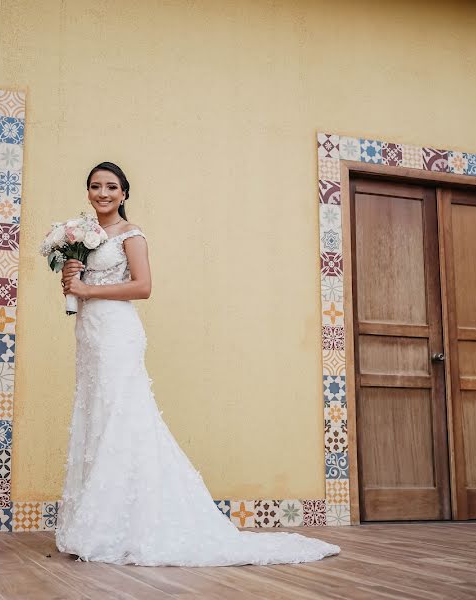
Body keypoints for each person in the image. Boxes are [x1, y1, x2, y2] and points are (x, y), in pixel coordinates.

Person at [55, 161, 340, 566]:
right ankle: (100, 521)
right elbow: (83, 288)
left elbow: (144, 286)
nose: (103, 193)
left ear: (124, 193)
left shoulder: (131, 235)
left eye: (112, 187)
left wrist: (89, 289)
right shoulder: (85, 235)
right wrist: (72, 279)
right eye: (96, 186)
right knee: (96, 416)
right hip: (90, 333)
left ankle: (126, 525)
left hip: (118, 333)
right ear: (87, 192)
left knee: (123, 416)